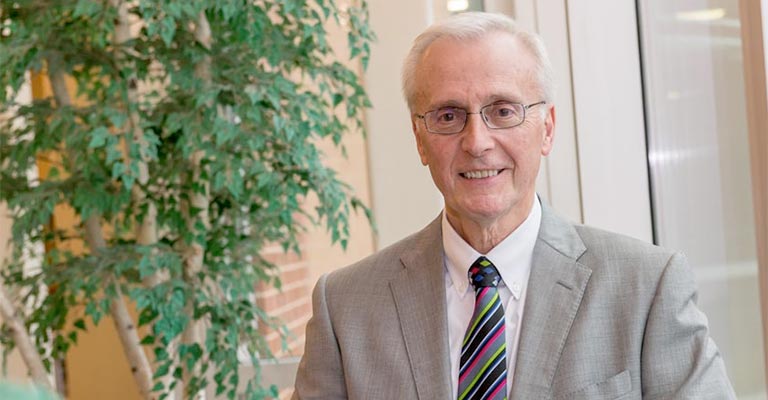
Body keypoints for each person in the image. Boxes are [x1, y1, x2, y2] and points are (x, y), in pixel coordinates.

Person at [292, 12, 735, 400]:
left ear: (547, 129)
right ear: (419, 138)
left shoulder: (647, 288)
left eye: (502, 110)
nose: (477, 142)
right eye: (448, 115)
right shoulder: (345, 307)